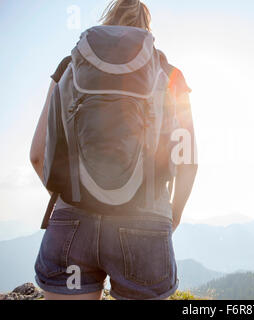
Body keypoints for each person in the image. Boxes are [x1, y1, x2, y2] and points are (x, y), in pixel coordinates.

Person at [29, 0, 198, 300]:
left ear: (107, 23)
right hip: (145, 224)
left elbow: (38, 154)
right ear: (145, 32)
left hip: (72, 223)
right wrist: (173, 216)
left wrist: (72, 198)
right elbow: (187, 160)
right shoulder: (169, 74)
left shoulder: (70, 67)